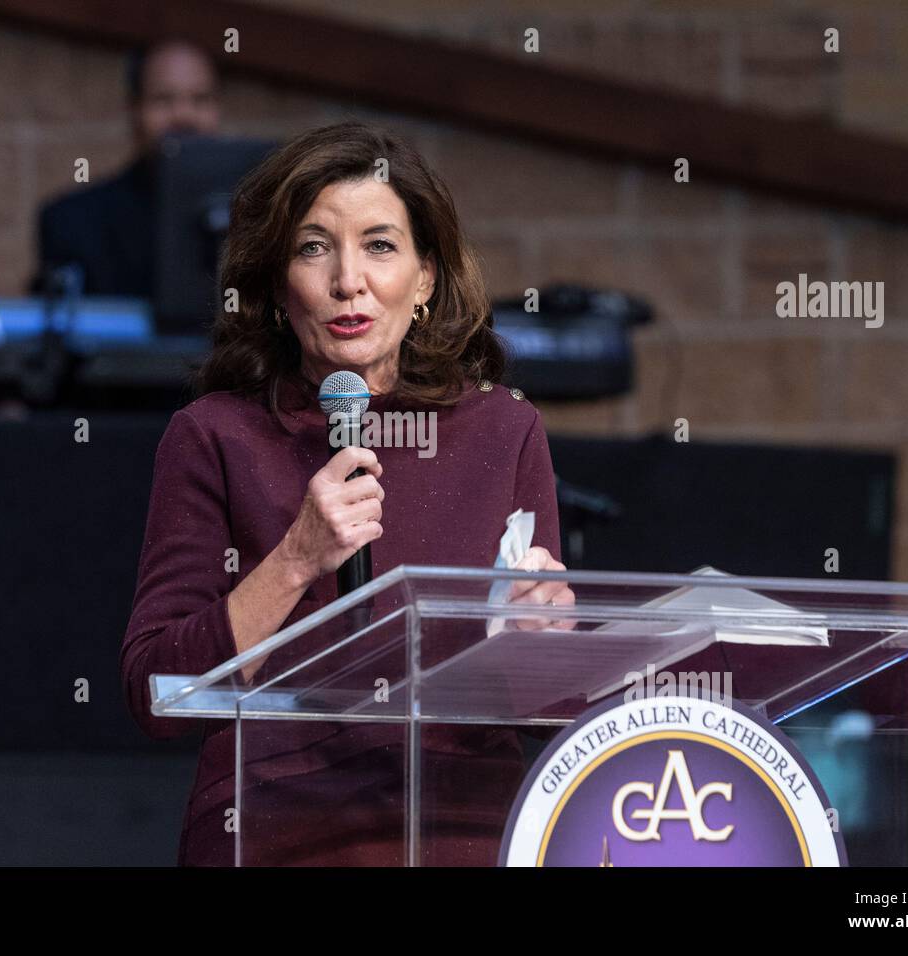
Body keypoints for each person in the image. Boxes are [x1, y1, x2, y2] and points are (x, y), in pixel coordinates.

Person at [120, 120, 576, 865]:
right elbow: (157, 693)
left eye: (380, 245)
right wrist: (297, 557)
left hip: (462, 823)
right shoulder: (214, 436)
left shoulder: (504, 428)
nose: (347, 281)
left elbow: (544, 715)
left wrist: (546, 648)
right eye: (313, 247)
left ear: (426, 277)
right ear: (275, 284)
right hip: (277, 830)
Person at [32, 39, 221, 297]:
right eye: (164, 100)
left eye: (200, 100)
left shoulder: (257, 214)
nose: (184, 115)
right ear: (134, 110)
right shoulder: (73, 222)